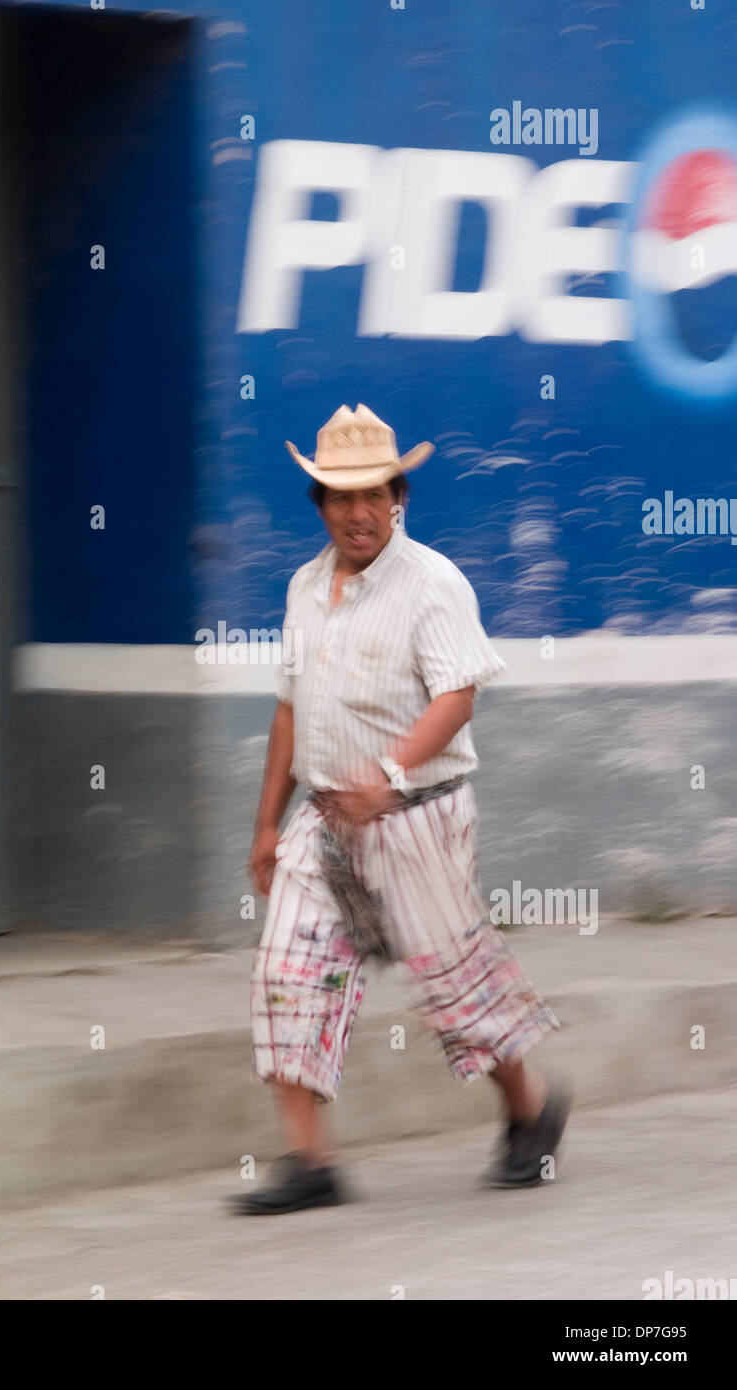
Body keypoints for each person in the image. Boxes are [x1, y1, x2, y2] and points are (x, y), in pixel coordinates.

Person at [231, 403, 568, 1216]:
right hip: (324, 822)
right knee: (287, 976)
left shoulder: (432, 583)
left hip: (419, 814)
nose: (357, 512)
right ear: (318, 504)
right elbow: (289, 708)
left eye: (373, 495)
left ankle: (530, 1110)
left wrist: (386, 774)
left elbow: (456, 700)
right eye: (340, 498)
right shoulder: (305, 587)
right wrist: (267, 823)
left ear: (397, 498)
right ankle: (309, 1162)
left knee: (455, 991)